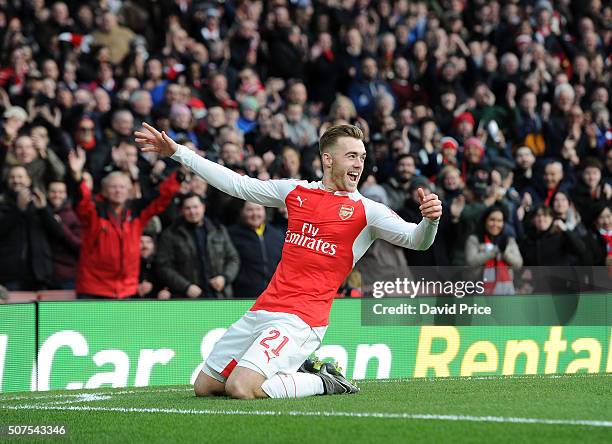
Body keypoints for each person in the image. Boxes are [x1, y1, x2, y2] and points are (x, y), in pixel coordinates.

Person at [135, 122, 441, 399]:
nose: (359, 163)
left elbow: (417, 241)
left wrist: (429, 220)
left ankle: (325, 381)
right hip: (263, 308)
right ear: (328, 159)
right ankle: (299, 371)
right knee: (205, 386)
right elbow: (238, 185)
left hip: (302, 319)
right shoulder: (296, 191)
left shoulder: (367, 211)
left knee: (240, 388)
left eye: (361, 157)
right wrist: (178, 152)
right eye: (351, 156)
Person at [68, 147, 181, 299]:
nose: (118, 191)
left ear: (129, 191)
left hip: (127, 289)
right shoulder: (94, 212)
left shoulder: (136, 212)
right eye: (113, 187)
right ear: (105, 191)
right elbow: (82, 201)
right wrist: (76, 175)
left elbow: (160, 197)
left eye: (122, 187)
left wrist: (179, 175)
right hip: (93, 288)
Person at [155, 193, 240, 298]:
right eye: (188, 208)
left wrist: (224, 278)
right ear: (182, 211)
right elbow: (163, 266)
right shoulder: (171, 234)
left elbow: (233, 258)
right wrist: (186, 287)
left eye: (196, 207)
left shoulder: (219, 230)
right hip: (187, 298)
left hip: (219, 296)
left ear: (203, 207)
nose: (192, 212)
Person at [228, 201, 284, 299]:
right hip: (243, 296)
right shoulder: (231, 234)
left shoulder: (277, 234)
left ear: (264, 211)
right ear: (242, 212)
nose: (255, 214)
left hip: (275, 295)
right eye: (250, 210)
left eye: (258, 209)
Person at [465, 205, 523, 295]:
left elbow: (518, 263)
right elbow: (471, 261)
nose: (495, 224)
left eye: (499, 221)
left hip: (505, 290)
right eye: (492, 220)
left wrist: (505, 253)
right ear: (485, 221)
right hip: (479, 289)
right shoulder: (474, 239)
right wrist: (495, 251)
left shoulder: (509, 240)